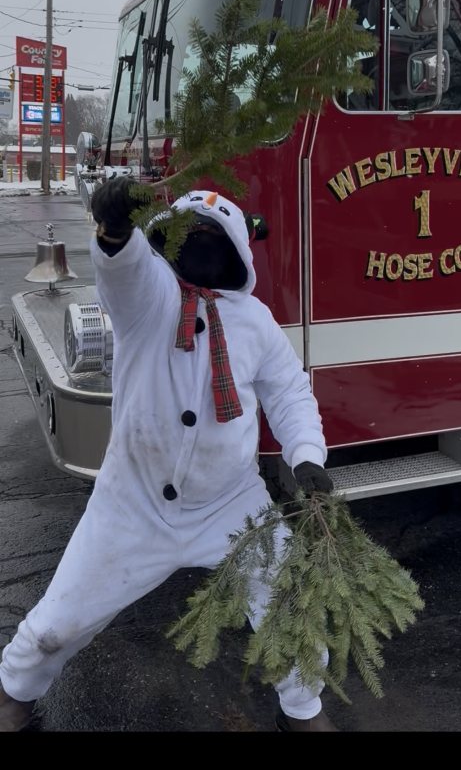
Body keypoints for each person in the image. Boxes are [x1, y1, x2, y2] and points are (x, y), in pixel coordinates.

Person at [0, 178, 336, 733]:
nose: (200, 245)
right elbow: (123, 272)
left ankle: (304, 712)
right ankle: (13, 695)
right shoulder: (151, 296)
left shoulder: (255, 321)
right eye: (187, 234)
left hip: (232, 503)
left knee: (291, 608)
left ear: (238, 250)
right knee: (57, 624)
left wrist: (306, 456)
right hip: (132, 504)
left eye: (214, 236)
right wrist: (114, 234)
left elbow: (290, 393)